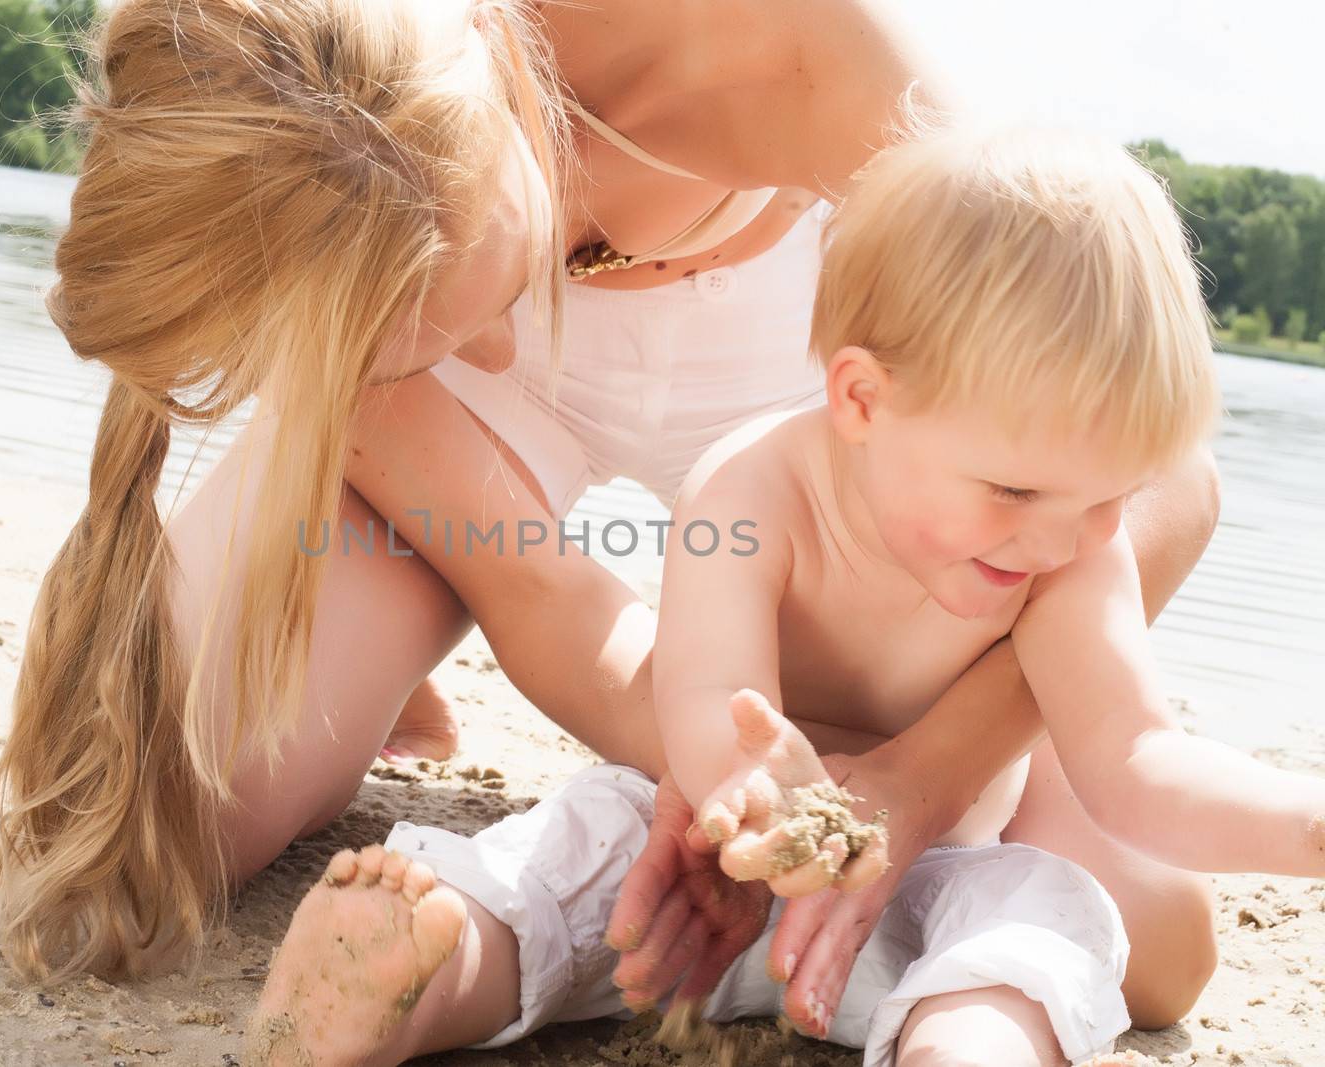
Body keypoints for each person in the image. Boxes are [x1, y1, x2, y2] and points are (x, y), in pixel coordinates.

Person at [0, 0, 1222, 1033]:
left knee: (1108, 889)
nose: (513, 333)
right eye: (437, 328)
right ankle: (383, 635)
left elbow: (1167, 483)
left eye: (491, 282)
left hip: (799, 366)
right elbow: (551, 598)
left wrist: (910, 776)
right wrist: (703, 759)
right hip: (458, 414)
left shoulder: (807, 51)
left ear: (483, 102)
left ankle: (1014, 778)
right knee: (177, 815)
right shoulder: (322, 192)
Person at [250, 123, 1325, 1067]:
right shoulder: (753, 487)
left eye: (1108, 500)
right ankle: (408, 981)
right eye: (1013, 488)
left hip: (933, 874)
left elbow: (1136, 764)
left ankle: (965, 1046)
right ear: (861, 397)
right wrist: (767, 806)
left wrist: (1305, 825)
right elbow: (709, 709)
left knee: (1036, 919)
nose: (1061, 536)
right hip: (704, 870)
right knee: (562, 865)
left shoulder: (1070, 547)